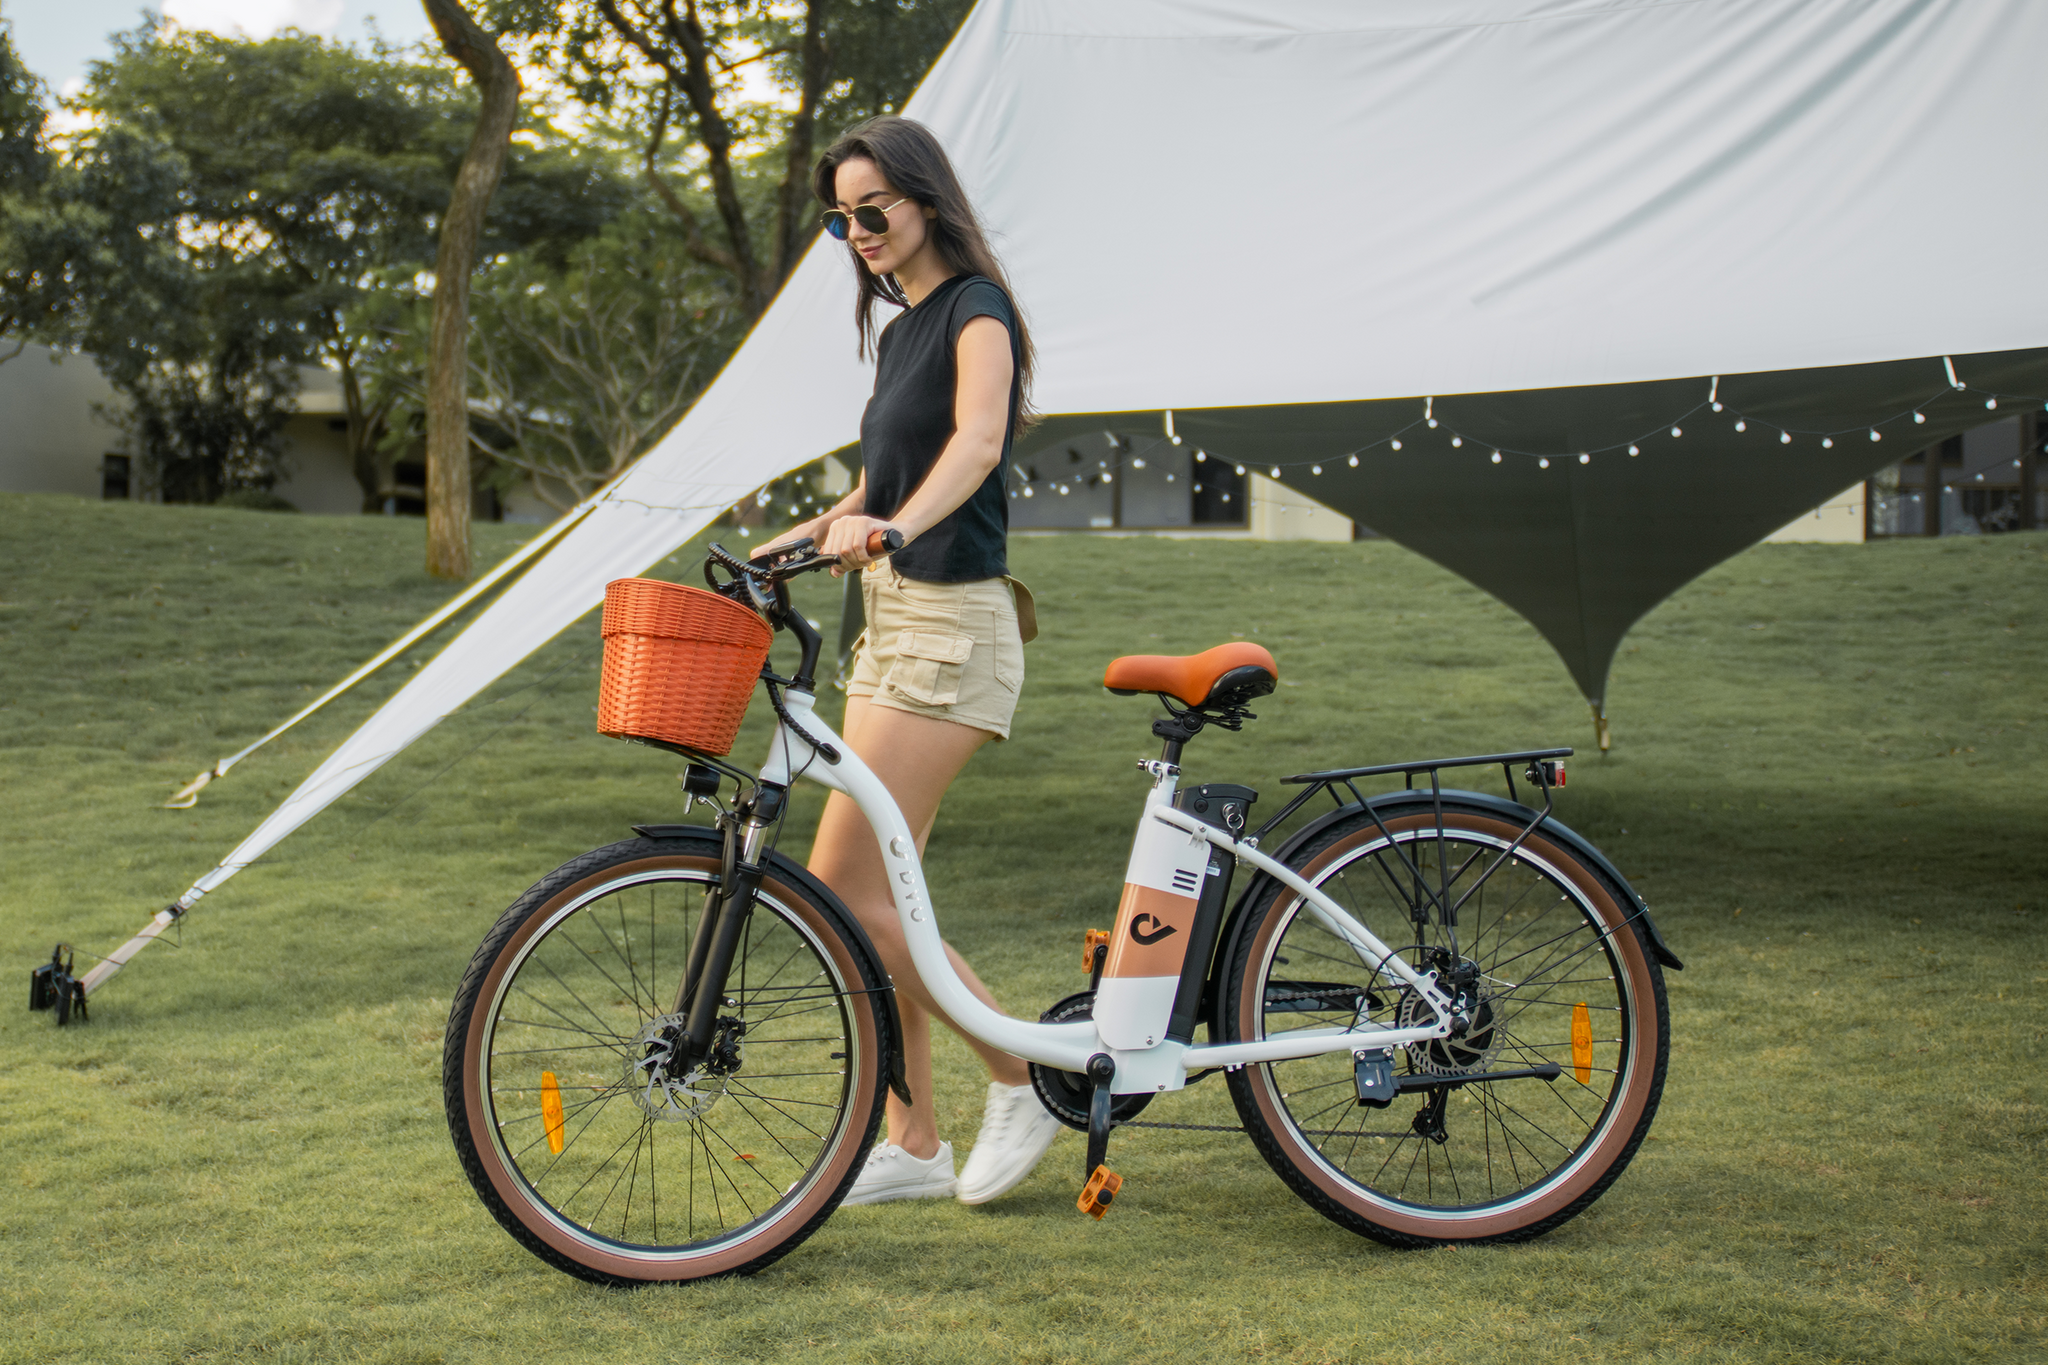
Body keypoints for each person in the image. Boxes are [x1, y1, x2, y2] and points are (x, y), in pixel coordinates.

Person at [754, 116, 1061, 1206]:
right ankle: (915, 1143)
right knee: (878, 897)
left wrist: (888, 532)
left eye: (871, 209)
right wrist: (803, 536)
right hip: (889, 624)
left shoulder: (978, 311)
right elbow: (874, 486)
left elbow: (975, 446)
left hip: (949, 628)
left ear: (923, 197)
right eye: (841, 219)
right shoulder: (899, 333)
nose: (857, 233)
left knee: (845, 889)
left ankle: (1020, 1082)